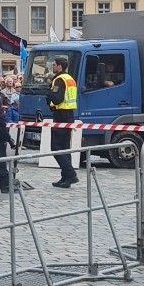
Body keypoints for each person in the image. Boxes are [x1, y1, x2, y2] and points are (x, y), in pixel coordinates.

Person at [46, 56, 79, 189]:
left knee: (56, 148)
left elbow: (57, 99)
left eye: (54, 65)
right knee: (65, 148)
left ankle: (70, 174)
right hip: (69, 115)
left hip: (61, 115)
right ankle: (65, 178)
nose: (53, 67)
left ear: (60, 66)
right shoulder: (69, 78)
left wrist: (49, 94)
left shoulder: (59, 79)